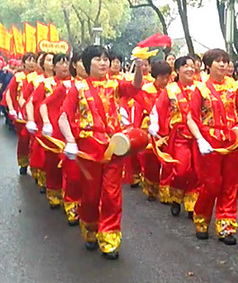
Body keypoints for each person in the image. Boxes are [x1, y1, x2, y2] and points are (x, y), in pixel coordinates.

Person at [59, 45, 145, 259]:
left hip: (114, 146)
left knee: (112, 195)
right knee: (89, 195)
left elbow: (135, 87)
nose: (103, 62)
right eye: (97, 59)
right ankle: (90, 229)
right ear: (88, 64)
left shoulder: (116, 84)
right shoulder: (77, 88)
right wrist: (70, 141)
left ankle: (109, 239)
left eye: (106, 58)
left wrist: (140, 67)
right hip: (89, 148)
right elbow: (64, 117)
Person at [187, 48, 238, 245]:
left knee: (230, 184)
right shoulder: (200, 88)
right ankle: (202, 219)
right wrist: (199, 139)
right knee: (211, 184)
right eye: (218, 61)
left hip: (231, 141)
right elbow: (192, 118)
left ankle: (226, 226)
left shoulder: (235, 87)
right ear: (208, 65)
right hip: (209, 140)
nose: (222, 65)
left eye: (225, 61)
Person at [150, 56, 199, 217]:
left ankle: (192, 204)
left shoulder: (201, 88)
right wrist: (155, 125)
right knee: (181, 170)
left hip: (199, 136)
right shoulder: (170, 90)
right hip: (179, 136)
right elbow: (158, 108)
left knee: (196, 171)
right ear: (178, 70)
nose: (190, 69)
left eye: (192, 66)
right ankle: (176, 197)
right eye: (185, 66)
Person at [26, 53, 72, 209]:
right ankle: (53, 193)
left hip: (70, 130)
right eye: (60, 63)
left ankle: (71, 198)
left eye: (67, 63)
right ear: (54, 66)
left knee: (71, 167)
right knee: (53, 164)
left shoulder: (76, 85)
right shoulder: (45, 84)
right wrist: (36, 121)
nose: (64, 66)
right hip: (51, 130)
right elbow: (32, 103)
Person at [133, 61, 172, 201]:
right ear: (155, 76)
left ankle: (166, 191)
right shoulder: (146, 90)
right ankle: (151, 187)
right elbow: (138, 111)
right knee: (150, 161)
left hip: (168, 129)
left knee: (168, 160)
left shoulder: (171, 90)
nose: (165, 80)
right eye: (162, 77)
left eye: (168, 77)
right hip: (150, 129)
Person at [4, 52, 37, 175]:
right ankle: (23, 162)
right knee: (24, 139)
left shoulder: (39, 78)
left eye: (34, 60)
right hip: (21, 114)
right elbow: (9, 93)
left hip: (34, 113)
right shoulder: (18, 76)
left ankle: (35, 166)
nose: (31, 63)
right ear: (24, 62)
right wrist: (12, 109)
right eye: (29, 60)